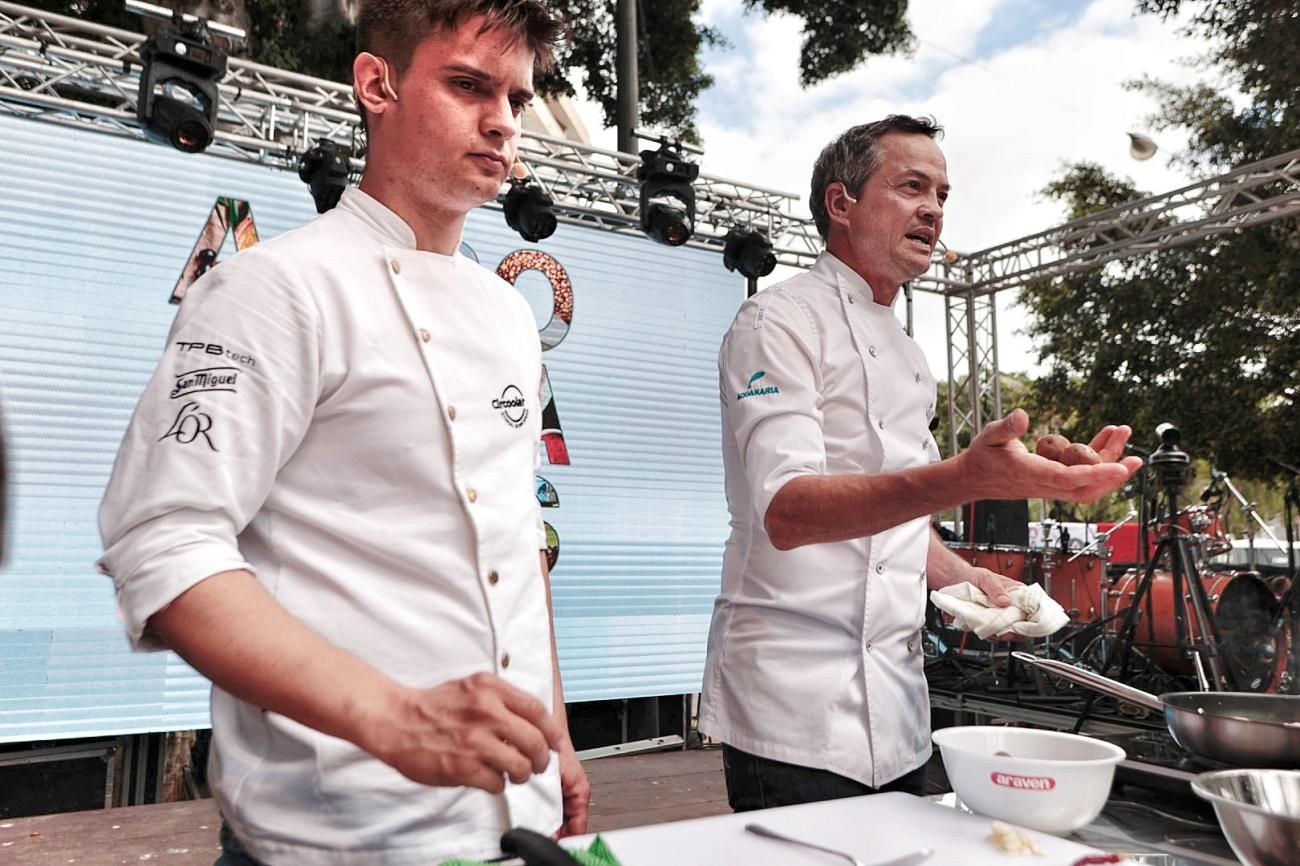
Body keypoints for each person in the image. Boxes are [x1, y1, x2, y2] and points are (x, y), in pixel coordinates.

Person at [96, 2, 589, 863]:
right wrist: (393, 716)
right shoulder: (275, 288)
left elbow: (511, 540)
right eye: (470, 85)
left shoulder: (509, 314)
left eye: (517, 97)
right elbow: (163, 544)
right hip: (328, 837)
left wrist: (555, 733)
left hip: (517, 818)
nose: (503, 121)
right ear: (378, 83)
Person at [698, 115, 1141, 812]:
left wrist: (972, 580)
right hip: (791, 708)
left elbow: (897, 522)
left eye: (941, 193)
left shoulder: (908, 356)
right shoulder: (777, 323)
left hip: (900, 708)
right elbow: (787, 511)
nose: (933, 208)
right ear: (841, 204)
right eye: (911, 187)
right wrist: (966, 477)